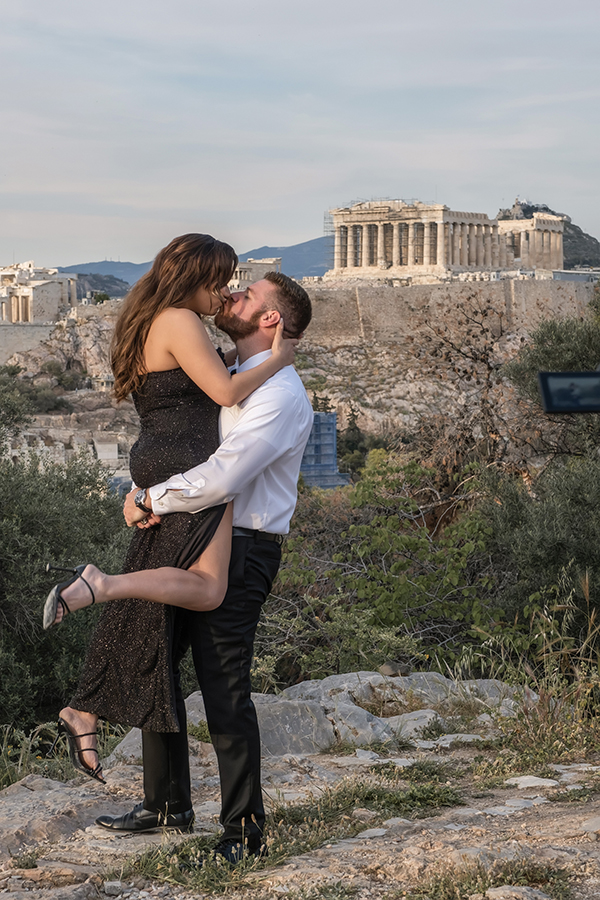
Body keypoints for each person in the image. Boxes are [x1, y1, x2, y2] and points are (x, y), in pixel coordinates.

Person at [45, 234, 297, 785]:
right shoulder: (180, 319)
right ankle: (99, 586)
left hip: (162, 459)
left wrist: (248, 358)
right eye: (221, 280)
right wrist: (278, 359)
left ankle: (94, 717)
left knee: (151, 610)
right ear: (195, 279)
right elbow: (227, 394)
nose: (225, 292)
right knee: (205, 590)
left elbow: (210, 376)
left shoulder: (154, 318)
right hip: (185, 465)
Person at [93, 273, 314, 863]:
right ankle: (165, 805)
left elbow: (223, 477)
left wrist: (148, 499)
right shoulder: (227, 375)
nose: (232, 295)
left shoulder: (280, 396)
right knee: (155, 655)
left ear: (271, 321)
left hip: (242, 546)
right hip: (194, 532)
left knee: (223, 686)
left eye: (247, 295)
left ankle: (244, 831)